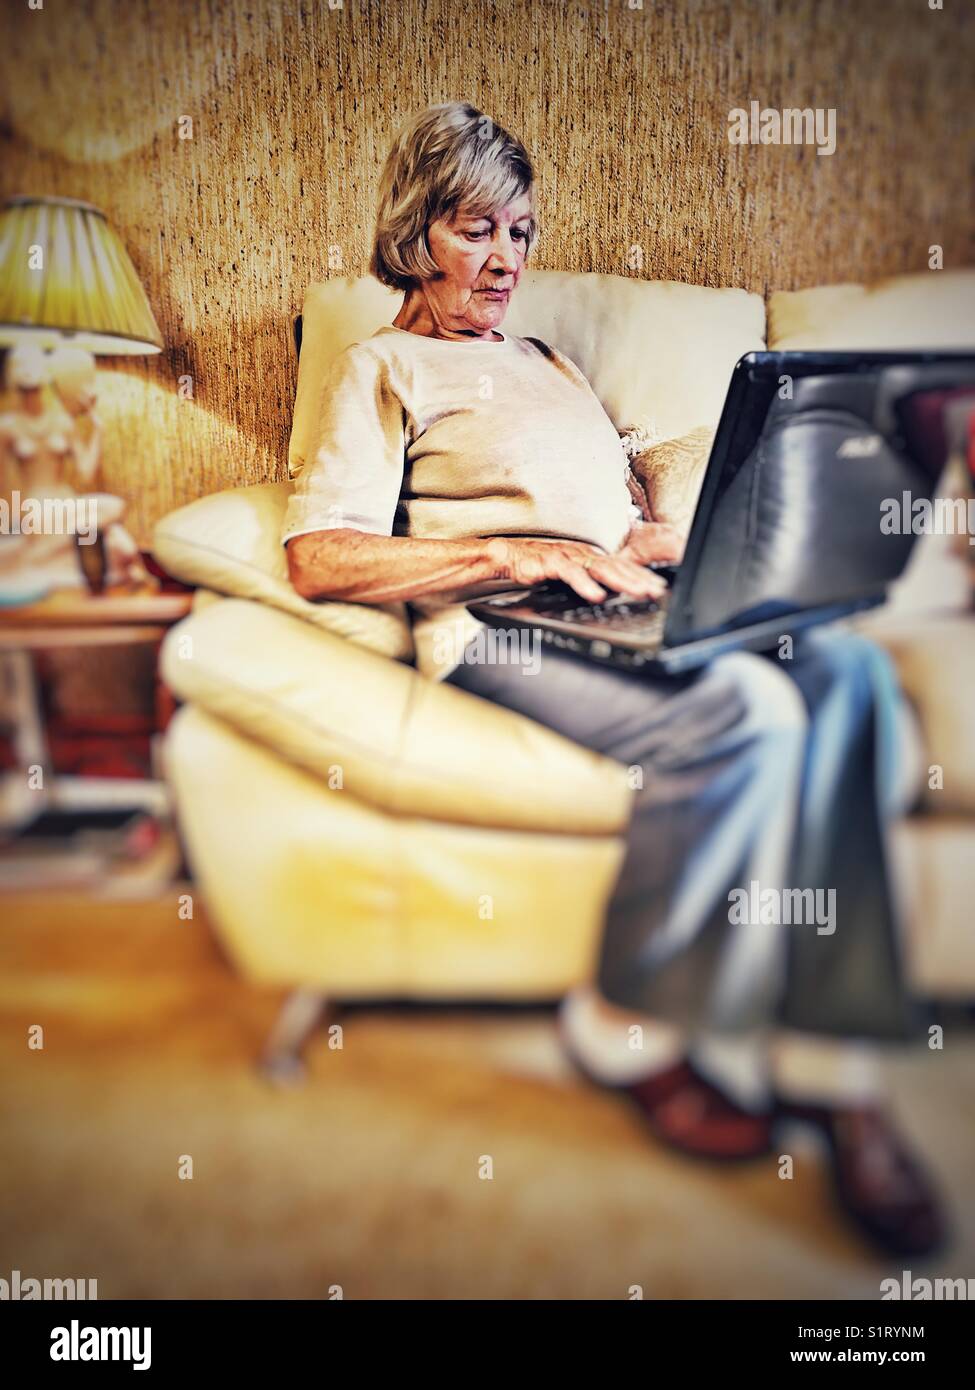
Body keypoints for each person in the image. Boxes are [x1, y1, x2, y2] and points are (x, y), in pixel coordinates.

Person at [283, 100, 946, 1256]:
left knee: (844, 675)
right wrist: (509, 552)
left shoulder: (549, 358)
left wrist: (660, 545)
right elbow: (320, 555)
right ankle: (626, 1024)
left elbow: (607, 517)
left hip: (619, 603)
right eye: (476, 229)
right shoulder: (379, 364)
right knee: (744, 713)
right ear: (416, 231)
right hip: (491, 626)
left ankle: (831, 1065)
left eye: (523, 233)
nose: (507, 261)